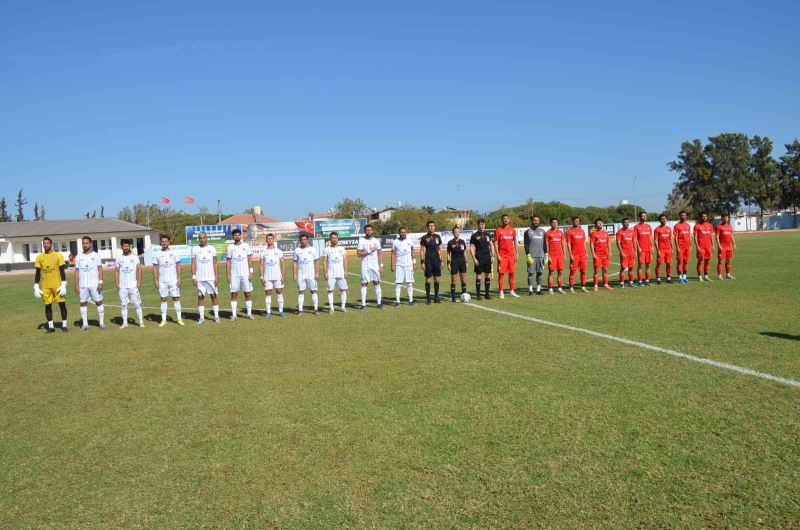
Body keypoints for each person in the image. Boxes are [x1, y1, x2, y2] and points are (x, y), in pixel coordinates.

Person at [33, 236, 68, 332]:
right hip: (46, 286)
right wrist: (36, 285)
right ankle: (51, 326)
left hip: (57, 286)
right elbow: (37, 272)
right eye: (44, 243)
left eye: (47, 243)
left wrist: (63, 283)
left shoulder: (58, 256)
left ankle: (64, 325)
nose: (45, 245)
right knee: (48, 306)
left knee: (62, 304)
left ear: (51, 244)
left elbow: (62, 270)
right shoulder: (39, 257)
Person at [74, 236, 106, 330]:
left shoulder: (96, 255)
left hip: (94, 284)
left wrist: (100, 281)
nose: (85, 245)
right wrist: (76, 285)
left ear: (90, 243)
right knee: (83, 303)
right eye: (83, 243)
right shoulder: (78, 257)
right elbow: (76, 271)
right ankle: (85, 324)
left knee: (99, 302)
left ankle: (101, 323)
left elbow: (100, 269)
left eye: (86, 243)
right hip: (83, 284)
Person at [152, 234, 184, 326]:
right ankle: (163, 320)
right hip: (162, 281)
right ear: (160, 243)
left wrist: (179, 278)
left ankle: (179, 319)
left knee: (176, 298)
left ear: (169, 242)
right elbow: (155, 268)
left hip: (173, 280)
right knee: (163, 299)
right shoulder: (157, 254)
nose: (164, 243)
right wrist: (156, 280)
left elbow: (178, 266)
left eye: (166, 241)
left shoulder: (174, 253)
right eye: (162, 242)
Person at [191, 232, 220, 324]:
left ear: (207, 238)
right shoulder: (195, 249)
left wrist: (216, 276)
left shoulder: (212, 248)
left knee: (214, 296)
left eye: (203, 237)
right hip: (199, 278)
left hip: (211, 277)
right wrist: (194, 277)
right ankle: (201, 317)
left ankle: (216, 317)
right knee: (200, 297)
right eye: (200, 238)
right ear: (198, 239)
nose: (202, 239)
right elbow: (193, 264)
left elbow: (215, 263)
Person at [115, 239, 144, 328]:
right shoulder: (119, 258)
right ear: (122, 247)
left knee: (137, 304)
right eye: (124, 246)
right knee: (123, 304)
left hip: (133, 285)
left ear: (129, 246)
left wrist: (138, 282)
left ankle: (141, 321)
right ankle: (125, 323)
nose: (126, 247)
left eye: (127, 246)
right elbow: (116, 271)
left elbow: (139, 270)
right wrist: (117, 283)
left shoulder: (135, 257)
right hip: (123, 286)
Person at [226, 228, 254, 320]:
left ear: (241, 236)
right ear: (233, 236)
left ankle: (249, 314)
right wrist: (228, 274)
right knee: (234, 294)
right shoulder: (230, 247)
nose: (237, 236)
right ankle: (234, 315)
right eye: (235, 235)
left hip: (245, 274)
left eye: (238, 235)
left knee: (248, 293)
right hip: (234, 274)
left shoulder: (246, 246)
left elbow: (250, 259)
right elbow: (228, 262)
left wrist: (251, 272)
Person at [357, 224, 384, 309]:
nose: (369, 231)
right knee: (364, 283)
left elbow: (379, 254)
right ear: (365, 231)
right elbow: (358, 254)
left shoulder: (376, 241)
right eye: (367, 230)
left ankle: (379, 303)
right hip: (365, 265)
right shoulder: (361, 241)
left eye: (370, 230)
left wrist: (381, 265)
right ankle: (363, 304)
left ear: (372, 231)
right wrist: (369, 251)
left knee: (376, 282)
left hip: (375, 265)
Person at [259, 233, 286, 317]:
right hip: (267, 277)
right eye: (268, 238)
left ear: (273, 240)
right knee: (268, 293)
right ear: (266, 240)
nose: (269, 240)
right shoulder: (263, 252)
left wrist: (283, 276)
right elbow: (261, 265)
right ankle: (268, 312)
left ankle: (281, 311)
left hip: (278, 276)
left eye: (271, 238)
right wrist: (261, 277)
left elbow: (283, 263)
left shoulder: (279, 251)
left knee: (279, 292)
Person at [293, 233, 320, 315]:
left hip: (311, 274)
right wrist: (294, 274)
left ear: (308, 240)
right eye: (302, 240)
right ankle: (300, 310)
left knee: (313, 291)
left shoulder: (312, 249)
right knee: (301, 291)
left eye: (305, 240)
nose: (303, 241)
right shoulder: (297, 250)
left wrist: (317, 272)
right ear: (300, 241)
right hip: (301, 274)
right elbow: (294, 262)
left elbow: (317, 261)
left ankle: (316, 309)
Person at [494, 214, 519, 298]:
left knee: (512, 273)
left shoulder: (512, 230)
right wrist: (497, 255)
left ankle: (512, 291)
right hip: (502, 256)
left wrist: (517, 253)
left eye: (507, 218)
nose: (505, 220)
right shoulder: (498, 230)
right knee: (501, 274)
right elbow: (496, 243)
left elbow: (515, 242)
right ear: (502, 220)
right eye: (504, 219)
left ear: (509, 220)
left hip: (511, 256)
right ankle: (501, 291)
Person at [322, 231, 348, 313]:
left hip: (341, 272)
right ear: (330, 239)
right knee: (330, 290)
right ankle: (332, 308)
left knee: (343, 289)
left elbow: (345, 260)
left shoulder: (342, 249)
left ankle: (343, 307)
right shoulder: (326, 249)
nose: (334, 239)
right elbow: (324, 261)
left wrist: (346, 271)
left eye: (336, 238)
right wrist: (325, 272)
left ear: (337, 239)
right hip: (331, 273)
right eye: (333, 238)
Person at [469, 219, 494, 299]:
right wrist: (474, 259)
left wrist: (493, 256)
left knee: (488, 274)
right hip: (479, 258)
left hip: (487, 257)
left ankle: (487, 294)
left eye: (483, 224)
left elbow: (491, 245)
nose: (482, 226)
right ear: (478, 225)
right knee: (479, 275)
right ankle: (478, 295)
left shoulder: (488, 235)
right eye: (480, 224)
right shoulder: (474, 235)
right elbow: (472, 247)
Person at [391, 226, 416, 307]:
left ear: (406, 233)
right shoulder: (395, 242)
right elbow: (393, 254)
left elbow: (413, 252)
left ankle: (411, 300)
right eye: (401, 232)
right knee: (398, 283)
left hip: (409, 264)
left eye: (404, 232)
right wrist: (392, 265)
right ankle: (398, 301)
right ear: (399, 233)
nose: (403, 233)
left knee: (409, 283)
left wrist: (414, 263)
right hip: (399, 264)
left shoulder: (410, 241)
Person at [420, 221, 444, 304]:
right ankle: (428, 298)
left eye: (433, 226)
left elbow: (440, 249)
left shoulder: (438, 237)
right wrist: (422, 262)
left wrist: (442, 260)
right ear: (427, 227)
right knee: (428, 279)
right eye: (430, 226)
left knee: (437, 279)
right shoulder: (424, 237)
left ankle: (436, 297)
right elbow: (422, 250)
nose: (431, 227)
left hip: (437, 260)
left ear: (435, 227)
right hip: (428, 260)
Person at [523, 215, 547, 295]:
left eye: (537, 220)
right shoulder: (527, 231)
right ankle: (530, 290)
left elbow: (544, 244)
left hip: (541, 256)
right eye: (534, 220)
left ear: (539, 221)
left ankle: (538, 289)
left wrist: (546, 254)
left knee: (540, 273)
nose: (536, 221)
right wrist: (528, 255)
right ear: (532, 221)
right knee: (531, 273)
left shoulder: (543, 231)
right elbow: (526, 244)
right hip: (532, 256)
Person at [566, 216, 589, 292]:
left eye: (578, 221)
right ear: (572, 221)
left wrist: (586, 252)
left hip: (582, 255)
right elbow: (568, 244)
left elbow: (584, 242)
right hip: (574, 255)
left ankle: (583, 286)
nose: (577, 222)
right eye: (576, 221)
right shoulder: (569, 231)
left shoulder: (582, 231)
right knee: (573, 271)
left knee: (583, 271)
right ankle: (571, 287)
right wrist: (571, 255)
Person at [589, 219, 613, 291]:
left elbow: (608, 242)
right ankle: (595, 286)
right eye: (598, 223)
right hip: (597, 255)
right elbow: (591, 244)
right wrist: (593, 254)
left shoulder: (606, 233)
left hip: (605, 255)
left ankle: (606, 284)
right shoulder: (593, 233)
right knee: (597, 271)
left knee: (605, 270)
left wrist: (610, 252)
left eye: (601, 223)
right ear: (595, 225)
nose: (600, 224)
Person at [447, 226, 468, 302]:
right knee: (453, 280)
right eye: (455, 232)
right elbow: (448, 254)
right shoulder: (450, 242)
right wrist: (448, 263)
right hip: (454, 262)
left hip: (462, 261)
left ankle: (464, 295)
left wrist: (466, 261)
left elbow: (465, 252)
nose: (457, 233)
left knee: (463, 279)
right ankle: (453, 297)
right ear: (453, 233)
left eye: (458, 232)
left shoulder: (462, 241)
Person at [545, 218, 565, 294]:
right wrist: (548, 256)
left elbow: (563, 244)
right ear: (550, 223)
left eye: (556, 222)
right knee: (551, 272)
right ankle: (550, 288)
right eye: (553, 222)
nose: (554, 224)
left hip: (560, 256)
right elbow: (546, 245)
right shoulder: (547, 233)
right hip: (552, 256)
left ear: (557, 223)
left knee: (560, 272)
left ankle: (560, 288)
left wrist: (564, 254)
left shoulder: (560, 233)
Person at [615, 218, 637, 288]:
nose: (627, 223)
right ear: (622, 223)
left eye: (628, 222)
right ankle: (622, 283)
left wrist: (635, 251)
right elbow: (618, 243)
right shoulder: (619, 232)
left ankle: (631, 282)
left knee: (631, 268)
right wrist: (621, 252)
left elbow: (634, 242)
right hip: (624, 253)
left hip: (631, 253)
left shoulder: (632, 231)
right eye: (625, 222)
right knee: (623, 268)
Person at [634, 211, 653, 286]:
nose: (644, 217)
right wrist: (638, 247)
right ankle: (640, 281)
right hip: (641, 249)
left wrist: (651, 246)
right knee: (640, 265)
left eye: (645, 216)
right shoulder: (636, 227)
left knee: (648, 265)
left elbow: (650, 238)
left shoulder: (648, 226)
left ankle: (647, 281)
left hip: (648, 249)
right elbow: (635, 239)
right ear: (640, 217)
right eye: (643, 216)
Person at [694, 212, 714, 281]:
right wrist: (697, 246)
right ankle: (699, 276)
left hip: (708, 246)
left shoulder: (710, 225)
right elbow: (695, 237)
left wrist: (713, 245)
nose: (704, 217)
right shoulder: (697, 226)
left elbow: (711, 236)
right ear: (700, 217)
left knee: (707, 261)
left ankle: (706, 275)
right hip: (701, 246)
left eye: (705, 216)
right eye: (703, 216)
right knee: (700, 260)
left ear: (707, 217)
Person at [715, 213, 736, 279]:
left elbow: (731, 235)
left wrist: (734, 244)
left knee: (728, 261)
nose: (726, 219)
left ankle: (728, 274)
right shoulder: (719, 227)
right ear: (722, 218)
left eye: (727, 218)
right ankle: (719, 275)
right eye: (724, 218)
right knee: (720, 261)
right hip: (722, 246)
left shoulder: (729, 226)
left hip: (729, 247)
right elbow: (717, 237)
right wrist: (719, 245)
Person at [653, 214, 673, 284]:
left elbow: (670, 239)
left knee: (669, 263)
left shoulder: (669, 229)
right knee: (659, 264)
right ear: (659, 220)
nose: (663, 220)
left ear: (666, 219)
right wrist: (658, 250)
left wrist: (672, 248)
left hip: (668, 249)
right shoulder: (657, 229)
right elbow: (655, 240)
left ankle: (669, 278)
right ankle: (658, 278)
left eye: (665, 218)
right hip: (661, 249)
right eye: (662, 219)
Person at [673, 210, 692, 283]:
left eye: (685, 215)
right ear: (680, 216)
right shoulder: (677, 226)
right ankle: (680, 277)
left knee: (686, 261)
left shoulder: (688, 225)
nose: (684, 216)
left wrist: (690, 245)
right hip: (680, 247)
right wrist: (677, 247)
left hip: (687, 246)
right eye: (682, 215)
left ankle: (684, 277)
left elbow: (689, 236)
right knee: (680, 262)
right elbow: (675, 237)